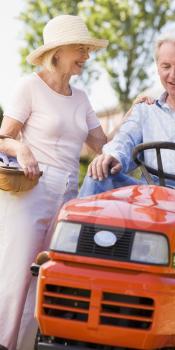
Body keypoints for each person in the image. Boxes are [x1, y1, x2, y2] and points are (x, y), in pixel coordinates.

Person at [79, 28, 175, 331]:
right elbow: (123, 141)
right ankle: (81, 264)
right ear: (157, 67)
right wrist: (110, 156)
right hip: (150, 197)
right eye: (166, 66)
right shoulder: (145, 110)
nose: (172, 74)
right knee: (98, 176)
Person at [0, 14, 109, 350]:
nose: (87, 56)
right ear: (59, 51)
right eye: (81, 49)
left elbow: (104, 146)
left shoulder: (82, 97)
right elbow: (3, 137)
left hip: (68, 198)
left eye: (88, 50)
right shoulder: (29, 86)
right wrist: (22, 148)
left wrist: (138, 112)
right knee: (15, 273)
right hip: (31, 191)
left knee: (46, 277)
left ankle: (26, 345)